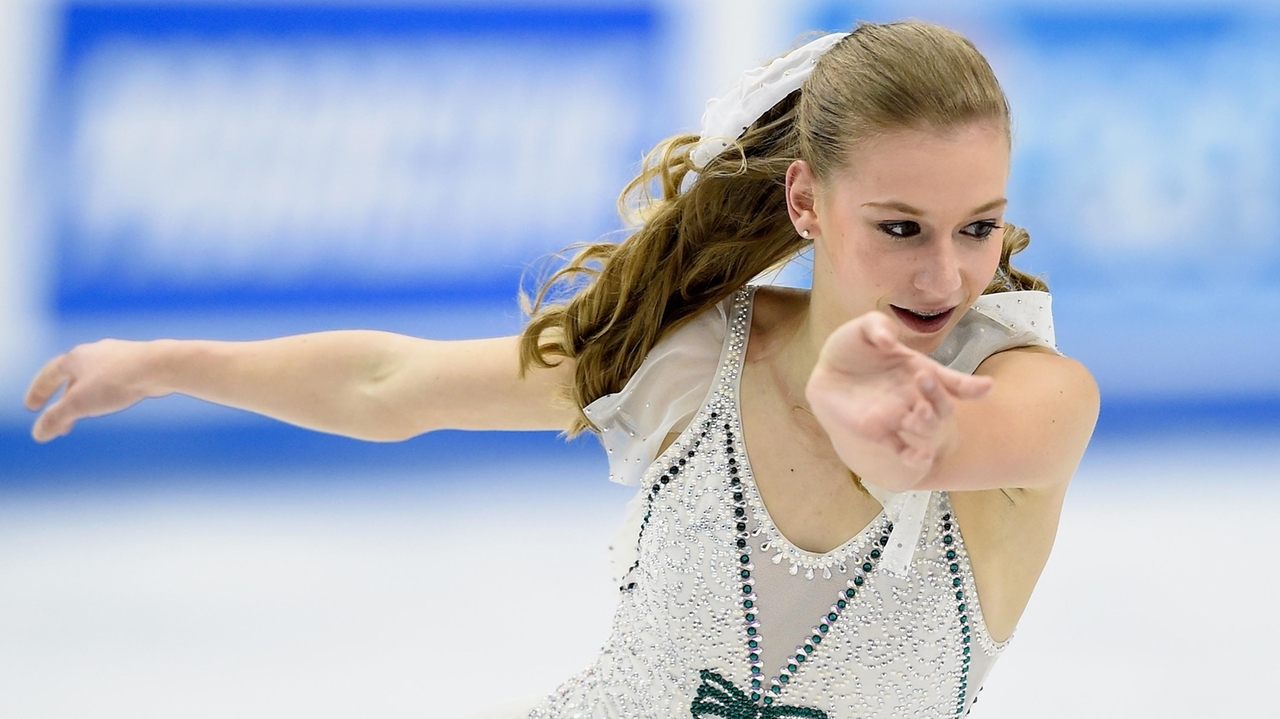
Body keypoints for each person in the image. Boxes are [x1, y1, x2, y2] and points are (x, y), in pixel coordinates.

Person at [24, 20, 1098, 719]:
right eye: (901, 226)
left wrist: (864, 406)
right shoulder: (692, 354)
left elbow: (918, 451)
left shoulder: (1036, 398)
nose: (945, 273)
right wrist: (168, 361)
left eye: (978, 226)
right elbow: (387, 384)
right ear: (806, 200)